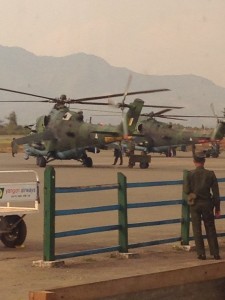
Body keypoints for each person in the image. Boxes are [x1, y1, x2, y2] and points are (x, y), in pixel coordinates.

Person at [184, 151, 221, 260]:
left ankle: (201, 254)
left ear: (194, 162)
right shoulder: (211, 174)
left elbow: (186, 190)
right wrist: (217, 208)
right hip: (207, 204)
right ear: (204, 162)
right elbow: (216, 194)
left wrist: (193, 194)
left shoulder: (190, 174)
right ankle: (215, 253)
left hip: (195, 204)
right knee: (210, 227)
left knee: (197, 228)